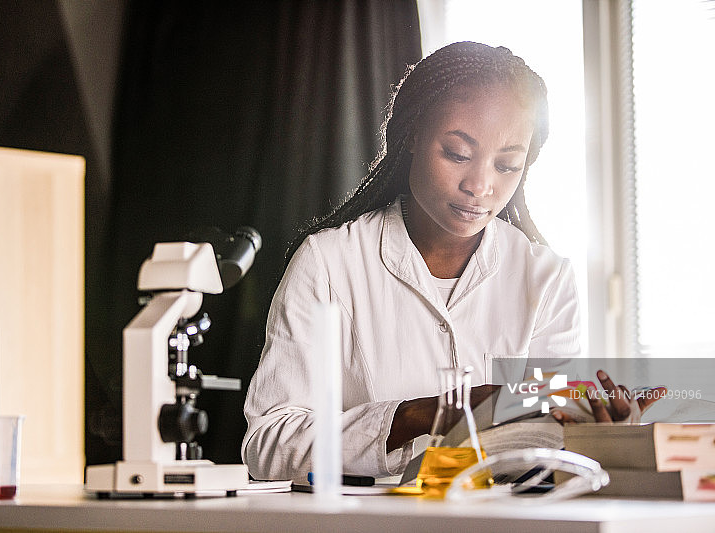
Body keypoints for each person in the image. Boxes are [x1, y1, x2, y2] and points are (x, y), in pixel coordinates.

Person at [241, 41, 653, 484]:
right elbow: (269, 443)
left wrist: (601, 436)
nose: (480, 186)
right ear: (414, 134)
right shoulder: (328, 263)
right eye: (457, 154)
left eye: (507, 165)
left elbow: (545, 450)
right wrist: (425, 414)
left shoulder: (546, 279)